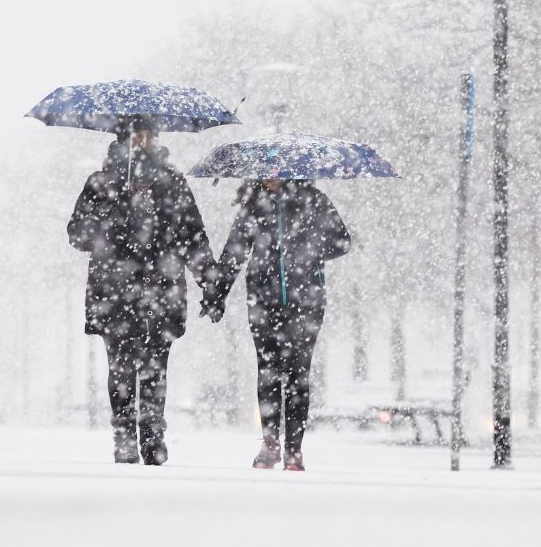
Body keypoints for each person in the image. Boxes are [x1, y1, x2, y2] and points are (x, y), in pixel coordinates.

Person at [67, 120, 216, 465]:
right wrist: (112, 216)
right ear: (123, 139)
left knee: (155, 367)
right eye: (137, 135)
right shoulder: (100, 183)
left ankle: (151, 434)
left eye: (149, 136)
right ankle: (123, 434)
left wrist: (211, 284)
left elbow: (193, 236)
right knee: (120, 366)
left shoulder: (172, 184)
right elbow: (77, 235)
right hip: (114, 292)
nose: (144, 142)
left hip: (161, 291)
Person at [205, 178, 350, 471]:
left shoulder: (315, 200)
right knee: (268, 371)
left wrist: (310, 239)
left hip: (306, 303)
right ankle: (270, 443)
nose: (272, 176)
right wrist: (216, 295)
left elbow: (342, 242)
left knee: (298, 374)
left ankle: (294, 449)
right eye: (266, 170)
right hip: (263, 301)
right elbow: (234, 252)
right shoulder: (253, 207)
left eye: (278, 171)